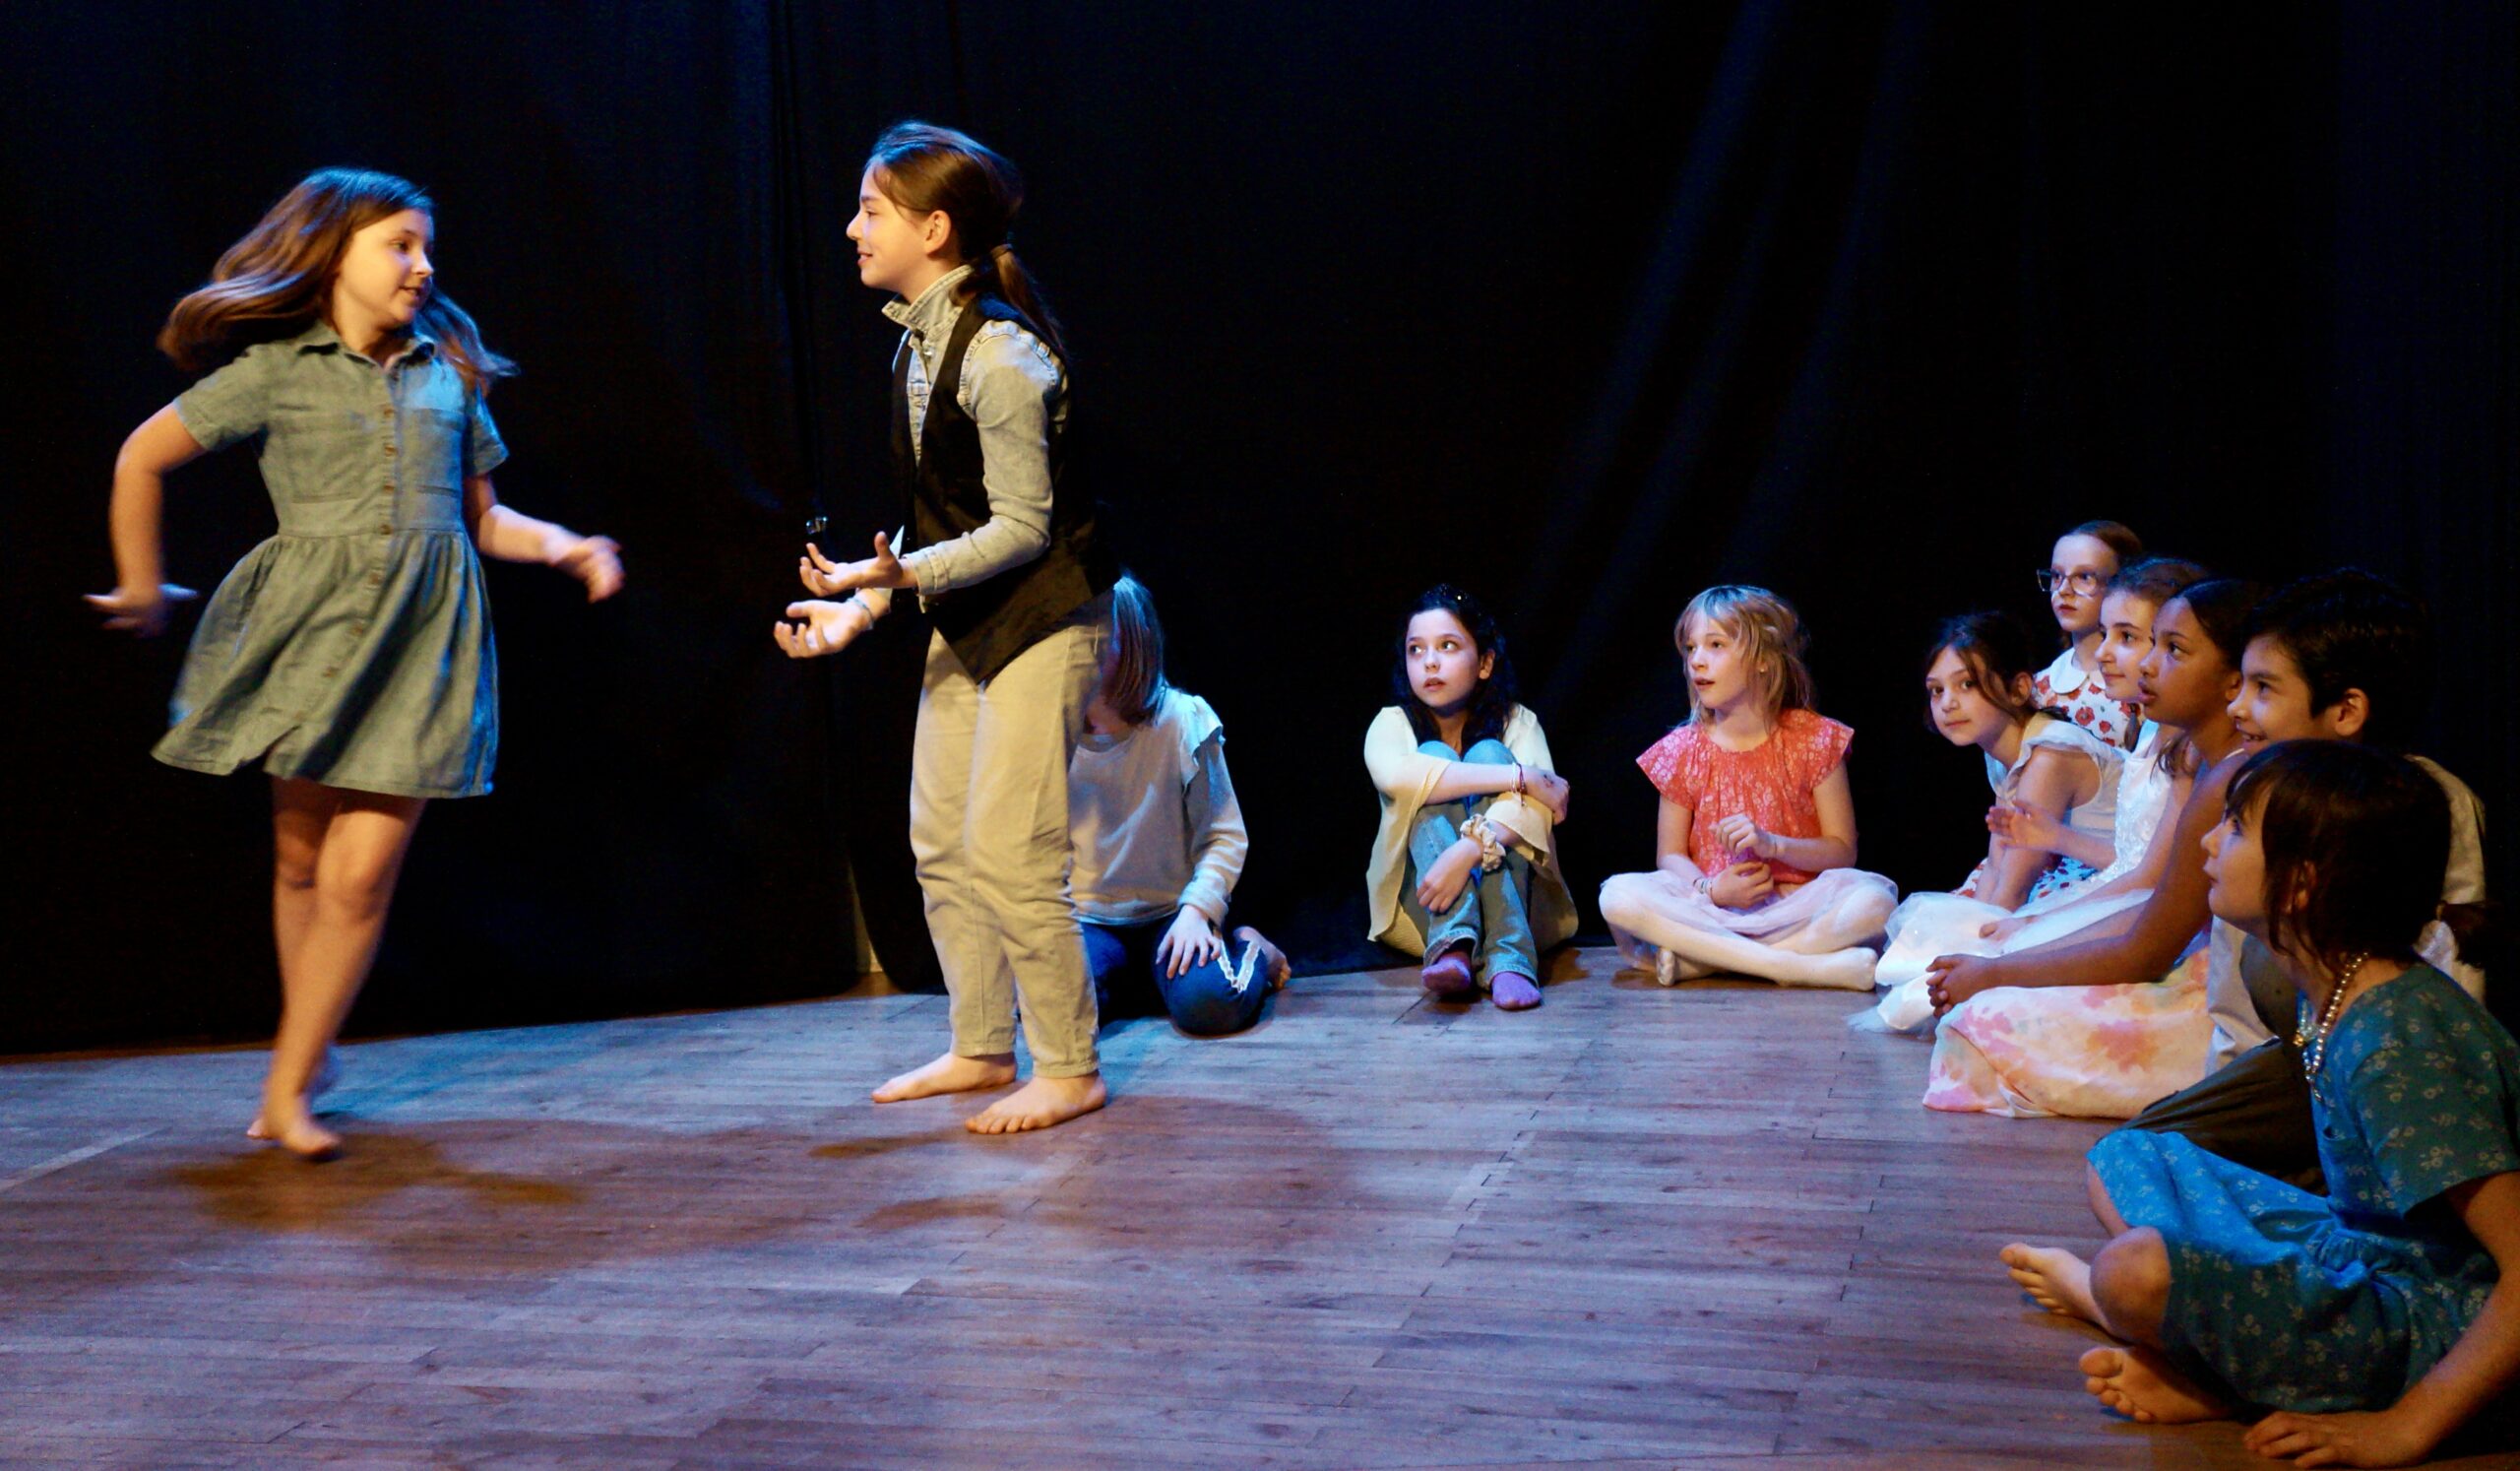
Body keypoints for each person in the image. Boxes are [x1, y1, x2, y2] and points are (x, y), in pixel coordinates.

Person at [87, 168, 624, 1160]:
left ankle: (288, 1087)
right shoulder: (276, 369)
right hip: (307, 635)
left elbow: (484, 518)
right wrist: (137, 583)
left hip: (421, 641)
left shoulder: (446, 372)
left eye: (427, 247)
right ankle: (312, 1047)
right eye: (400, 246)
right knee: (300, 861)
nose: (422, 266)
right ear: (336, 256)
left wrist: (565, 546)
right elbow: (141, 457)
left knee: (360, 875)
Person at [1999, 742, 2520, 1467]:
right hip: (2361, 1251)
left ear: (2303, 882)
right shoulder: (2334, 995)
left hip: (2432, 1323)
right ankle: (2218, 1350)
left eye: (2237, 829)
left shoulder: (2394, 1040)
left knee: (2133, 1273)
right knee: (2132, 1154)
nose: (2210, 840)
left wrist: (2407, 1427)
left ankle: (2198, 1358)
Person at [776, 121, 1116, 1133]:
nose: (851, 228)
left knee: (1014, 850)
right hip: (969, 617)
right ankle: (979, 1045)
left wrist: (894, 577)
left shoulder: (1000, 354)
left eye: (870, 210)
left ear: (933, 228)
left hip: (1047, 616)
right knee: (940, 841)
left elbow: (1022, 529)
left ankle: (1068, 1065)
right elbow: (938, 525)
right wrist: (864, 607)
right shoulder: (917, 343)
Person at [2114, 569, 2488, 1188]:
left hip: (2396, 1086)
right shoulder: (2259, 798)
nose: (2237, 707)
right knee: (2137, 1162)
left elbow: (2452, 997)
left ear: (2345, 710)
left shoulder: (2428, 804)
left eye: (2263, 688)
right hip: (2296, 1069)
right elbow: (2237, 1015)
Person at [1912, 580, 2263, 1118]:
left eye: (2167, 648)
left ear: (2231, 679)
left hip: (2210, 986)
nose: (2143, 663)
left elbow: (2147, 930)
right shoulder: (2188, 754)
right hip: (2165, 942)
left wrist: (1997, 967)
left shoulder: (2224, 771)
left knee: (1980, 1020)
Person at [1869, 557, 2207, 1002]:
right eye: (1938, 691)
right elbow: (2001, 863)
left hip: (2125, 902)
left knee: (1957, 968)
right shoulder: (2145, 733)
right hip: (2107, 888)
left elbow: (2027, 880)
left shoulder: (2053, 752)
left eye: (1967, 685)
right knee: (1920, 950)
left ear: (2019, 688)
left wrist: (2007, 932)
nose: (1949, 703)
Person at [1596, 585, 1895, 991]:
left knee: (1876, 902)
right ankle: (1794, 967)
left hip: (1796, 905)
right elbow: (1670, 855)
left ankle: (1706, 961)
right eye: (1691, 649)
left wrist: (1774, 845)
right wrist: (1712, 889)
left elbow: (1842, 849)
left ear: (1763, 661)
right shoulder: (1683, 750)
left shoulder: (1814, 739)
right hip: (1711, 908)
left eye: (1715, 645)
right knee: (1616, 897)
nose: (1697, 661)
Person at [1072, 576, 1289, 1035]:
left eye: (1095, 631)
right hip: (1089, 919)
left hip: (1172, 913)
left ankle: (1253, 950)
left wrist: (1197, 912)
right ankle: (1137, 982)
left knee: (1212, 1005)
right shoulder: (1051, 733)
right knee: (1049, 1008)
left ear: (1130, 641)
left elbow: (1224, 834)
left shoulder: (1179, 722)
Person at [1362, 586, 1576, 1010]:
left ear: (1485, 662)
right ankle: (1453, 943)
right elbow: (1401, 778)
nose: (1431, 662)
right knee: (1434, 759)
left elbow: (1539, 811)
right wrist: (1520, 776)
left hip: (1516, 907)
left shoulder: (1518, 722)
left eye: (1447, 646)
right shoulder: (1392, 724)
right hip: (1426, 900)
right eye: (1416, 650)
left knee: (1489, 752)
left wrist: (1469, 850)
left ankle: (1509, 958)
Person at [2031, 520, 2147, 750]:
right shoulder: (2039, 690)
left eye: (2084, 577)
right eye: (2056, 576)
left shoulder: (2145, 681)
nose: (2064, 590)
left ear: (2122, 583)